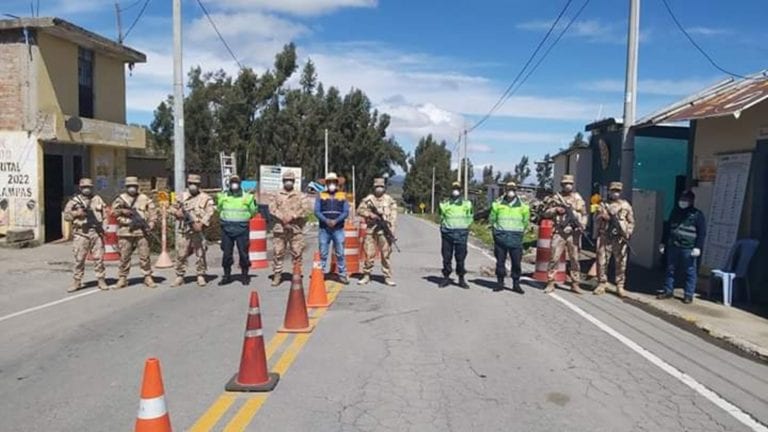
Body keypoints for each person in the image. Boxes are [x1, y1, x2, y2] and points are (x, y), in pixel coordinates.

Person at [658, 190, 706, 304]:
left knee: (689, 271)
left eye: (686, 200)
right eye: (682, 199)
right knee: (670, 269)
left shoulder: (697, 214)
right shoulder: (675, 211)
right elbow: (668, 228)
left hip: (688, 247)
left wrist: (698, 247)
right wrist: (663, 242)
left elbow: (702, 233)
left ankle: (688, 295)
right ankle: (668, 290)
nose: (683, 202)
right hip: (673, 245)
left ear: (691, 201)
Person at [543, 174, 587, 294]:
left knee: (575, 259)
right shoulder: (555, 198)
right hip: (559, 232)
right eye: (566, 184)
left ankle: (575, 283)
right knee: (554, 258)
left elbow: (584, 214)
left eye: (570, 184)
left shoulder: (578, 198)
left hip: (574, 233)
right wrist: (555, 210)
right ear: (562, 185)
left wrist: (582, 225)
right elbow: (545, 213)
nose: (568, 186)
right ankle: (551, 282)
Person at [112, 176, 158, 289]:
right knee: (124, 256)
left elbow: (152, 211)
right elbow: (113, 212)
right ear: (126, 187)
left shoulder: (144, 198)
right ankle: (122, 278)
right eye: (130, 186)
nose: (132, 188)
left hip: (141, 231)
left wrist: (151, 223)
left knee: (144, 255)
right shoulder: (121, 199)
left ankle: (147, 276)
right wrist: (124, 213)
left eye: (134, 186)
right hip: (125, 231)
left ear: (137, 187)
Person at [63, 178, 108, 292]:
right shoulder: (74, 201)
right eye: (84, 187)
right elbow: (66, 216)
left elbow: (105, 213)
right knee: (79, 259)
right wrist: (77, 213)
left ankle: (101, 280)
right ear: (80, 188)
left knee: (99, 259)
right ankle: (77, 282)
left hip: (96, 232)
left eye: (88, 187)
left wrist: (105, 227)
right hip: (81, 233)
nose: (86, 189)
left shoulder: (97, 199)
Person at [171, 174, 215, 287]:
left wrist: (201, 223)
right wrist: (177, 213)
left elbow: (210, 212)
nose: (193, 186)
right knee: (181, 253)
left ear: (199, 185)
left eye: (195, 184)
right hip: (184, 230)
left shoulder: (205, 198)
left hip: (198, 230)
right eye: (191, 184)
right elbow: (172, 208)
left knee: (200, 253)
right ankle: (179, 275)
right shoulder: (181, 196)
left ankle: (200, 275)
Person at [594, 182, 635, 297]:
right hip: (605, 236)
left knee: (621, 262)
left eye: (617, 191)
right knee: (602, 261)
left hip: (619, 238)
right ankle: (601, 284)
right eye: (613, 191)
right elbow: (596, 220)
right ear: (609, 191)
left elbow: (631, 221)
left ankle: (620, 286)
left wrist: (628, 233)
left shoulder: (625, 205)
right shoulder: (602, 205)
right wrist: (602, 217)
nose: (615, 193)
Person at [216, 175, 258, 285]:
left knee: (243, 253)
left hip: (242, 228)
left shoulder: (248, 197)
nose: (234, 184)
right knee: (226, 254)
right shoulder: (223, 196)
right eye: (232, 182)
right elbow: (219, 209)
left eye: (236, 182)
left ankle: (244, 275)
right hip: (226, 228)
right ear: (229, 184)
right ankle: (227, 275)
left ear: (240, 184)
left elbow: (253, 211)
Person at [489, 181, 529, 293]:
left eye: (513, 189)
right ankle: (500, 283)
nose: (511, 192)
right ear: (505, 191)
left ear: (516, 191)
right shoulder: (497, 204)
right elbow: (492, 219)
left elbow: (525, 222)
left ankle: (516, 284)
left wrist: (520, 233)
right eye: (509, 189)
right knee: (500, 262)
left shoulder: (524, 206)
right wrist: (496, 233)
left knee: (516, 262)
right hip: (500, 237)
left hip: (516, 238)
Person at [269, 170, 308, 286]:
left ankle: (296, 274)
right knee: (278, 253)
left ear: (294, 181)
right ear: (283, 181)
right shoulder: (276, 195)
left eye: (290, 180)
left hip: (295, 229)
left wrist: (293, 216)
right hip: (280, 229)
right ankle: (277, 275)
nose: (288, 182)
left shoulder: (300, 195)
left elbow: (306, 209)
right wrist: (282, 217)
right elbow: (272, 208)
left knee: (297, 253)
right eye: (286, 180)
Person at [357, 178, 399, 286]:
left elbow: (394, 216)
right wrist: (370, 215)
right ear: (374, 188)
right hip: (371, 230)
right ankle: (366, 275)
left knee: (386, 255)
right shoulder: (369, 199)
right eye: (377, 187)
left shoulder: (389, 200)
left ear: (384, 188)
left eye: (381, 187)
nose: (379, 189)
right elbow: (359, 210)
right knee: (369, 254)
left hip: (384, 231)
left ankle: (387, 276)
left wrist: (392, 230)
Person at [314, 172, 350, 284]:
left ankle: (342, 274)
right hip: (324, 229)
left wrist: (336, 220)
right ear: (326, 183)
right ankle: (321, 274)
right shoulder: (320, 195)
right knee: (323, 253)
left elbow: (346, 212)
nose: (331, 184)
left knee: (340, 253)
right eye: (329, 182)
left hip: (338, 228)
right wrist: (326, 220)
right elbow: (316, 211)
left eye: (333, 182)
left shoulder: (342, 196)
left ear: (336, 183)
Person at [438, 181, 473, 288]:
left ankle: (461, 279)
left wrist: (465, 227)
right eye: (454, 188)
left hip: (461, 234)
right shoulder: (444, 204)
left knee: (460, 258)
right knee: (446, 257)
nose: (455, 191)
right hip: (447, 233)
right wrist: (444, 228)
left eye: (457, 188)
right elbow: (441, 217)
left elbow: (470, 217)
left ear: (461, 190)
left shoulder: (467, 204)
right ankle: (446, 277)